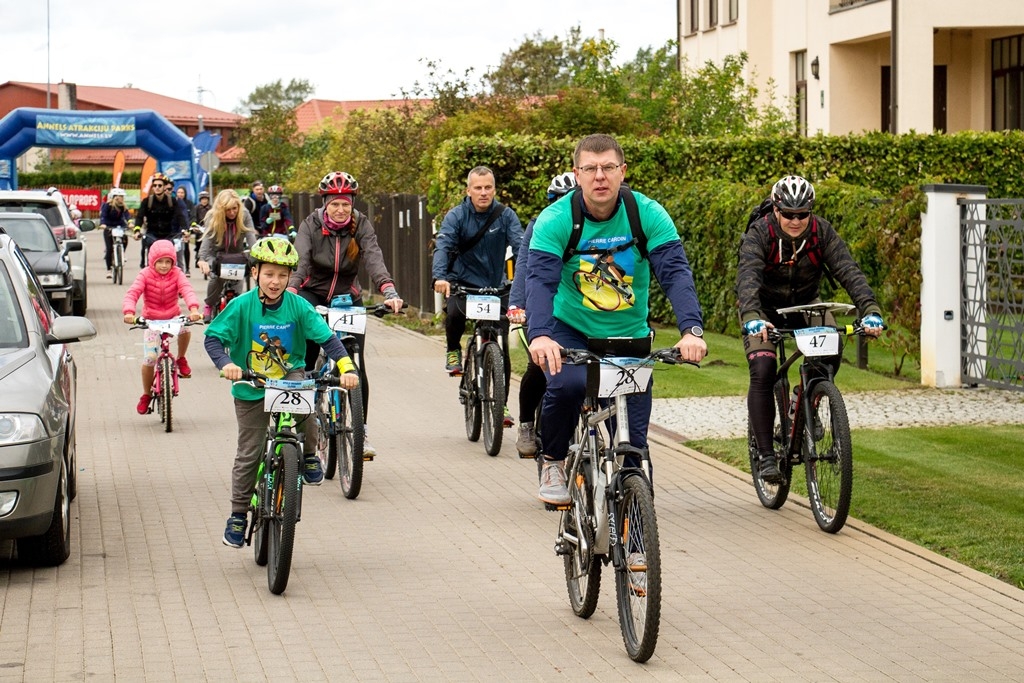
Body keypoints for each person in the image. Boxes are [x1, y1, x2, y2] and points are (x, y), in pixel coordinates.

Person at [526, 134, 707, 506]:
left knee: (634, 452)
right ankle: (554, 461)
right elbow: (540, 281)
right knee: (566, 387)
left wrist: (691, 329)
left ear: (622, 171)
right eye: (590, 168)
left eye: (608, 167)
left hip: (628, 337)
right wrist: (541, 335)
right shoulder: (556, 219)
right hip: (570, 329)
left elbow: (675, 273)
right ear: (577, 174)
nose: (600, 176)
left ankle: (637, 541)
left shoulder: (647, 214)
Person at [203, 236, 359, 548]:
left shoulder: (298, 306)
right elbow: (212, 338)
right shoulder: (240, 306)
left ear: (291, 277)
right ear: (256, 272)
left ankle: (311, 456)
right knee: (250, 452)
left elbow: (328, 339)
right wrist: (226, 364)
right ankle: (237, 515)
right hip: (251, 383)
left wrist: (346, 366)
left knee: (306, 408)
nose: (276, 282)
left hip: (289, 375)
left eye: (283, 275)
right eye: (269, 274)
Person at [737, 174, 885, 484]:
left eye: (802, 214)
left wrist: (870, 309)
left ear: (810, 211)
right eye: (788, 214)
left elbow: (848, 271)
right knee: (764, 368)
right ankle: (766, 456)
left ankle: (804, 402)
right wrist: (751, 314)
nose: (795, 220)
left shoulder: (822, 232)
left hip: (805, 305)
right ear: (776, 210)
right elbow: (748, 275)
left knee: (831, 349)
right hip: (762, 309)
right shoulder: (760, 233)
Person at [287, 171, 404, 458]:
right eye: (335, 204)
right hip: (312, 294)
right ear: (325, 203)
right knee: (308, 359)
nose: (340, 210)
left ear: (352, 205)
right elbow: (300, 260)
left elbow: (374, 257)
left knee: (355, 365)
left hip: (347, 297)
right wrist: (291, 289)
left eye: (346, 205)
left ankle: (360, 431)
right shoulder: (310, 225)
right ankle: (305, 420)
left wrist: (388, 290)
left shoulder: (360, 224)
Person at [431, 165, 524, 424]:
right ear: (469, 190)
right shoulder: (457, 216)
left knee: (501, 346)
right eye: (478, 188)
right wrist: (440, 277)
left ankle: (501, 405)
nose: (483, 193)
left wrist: (524, 282)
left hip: (496, 287)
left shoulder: (506, 216)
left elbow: (521, 248)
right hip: (463, 283)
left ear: (494, 189)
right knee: (455, 314)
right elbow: (443, 246)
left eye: (488, 187)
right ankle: (452, 350)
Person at [508, 171, 577, 457]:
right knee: (539, 365)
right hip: (544, 307)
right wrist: (517, 304)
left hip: (579, 310)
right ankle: (526, 424)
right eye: (558, 200)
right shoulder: (540, 226)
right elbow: (525, 266)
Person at [122, 239, 203, 415]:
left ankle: (181, 358)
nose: (164, 266)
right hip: (151, 321)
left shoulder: (178, 273)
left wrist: (194, 308)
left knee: (186, 329)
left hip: (173, 317)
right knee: (150, 358)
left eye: (168, 261)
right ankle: (145, 394)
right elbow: (133, 293)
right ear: (152, 261)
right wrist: (129, 312)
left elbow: (187, 289)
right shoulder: (144, 274)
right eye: (160, 261)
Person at [197, 189, 258, 322]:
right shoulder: (212, 216)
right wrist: (202, 259)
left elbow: (251, 237)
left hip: (236, 254)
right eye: (228, 210)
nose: (232, 213)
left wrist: (258, 257)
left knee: (239, 277)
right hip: (216, 253)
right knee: (216, 277)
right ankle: (209, 305)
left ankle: (237, 307)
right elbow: (207, 239)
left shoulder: (245, 215)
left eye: (234, 208)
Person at [133, 172, 188, 270]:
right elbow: (139, 217)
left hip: (168, 235)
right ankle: (149, 273)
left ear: (164, 187)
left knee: (172, 258)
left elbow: (180, 216)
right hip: (152, 234)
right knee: (150, 257)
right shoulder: (147, 201)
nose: (157, 187)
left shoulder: (172, 201)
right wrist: (137, 230)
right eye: (154, 185)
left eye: (159, 185)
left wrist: (185, 229)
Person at [99, 188, 131, 278]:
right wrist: (103, 224)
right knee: (109, 249)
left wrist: (130, 222)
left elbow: (127, 216)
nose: (121, 198)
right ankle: (109, 270)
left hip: (120, 226)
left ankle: (121, 253)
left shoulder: (123, 206)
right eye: (120, 196)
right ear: (114, 197)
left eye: (122, 197)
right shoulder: (107, 206)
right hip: (109, 228)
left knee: (125, 240)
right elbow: (103, 216)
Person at [175, 186, 195, 276]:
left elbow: (192, 216)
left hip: (186, 229)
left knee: (186, 249)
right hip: (177, 231)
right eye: (178, 192)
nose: (180, 194)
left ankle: (187, 268)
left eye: (182, 193)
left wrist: (190, 225)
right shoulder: (175, 203)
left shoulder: (189, 203)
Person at [190, 190, 212, 269]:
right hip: (199, 228)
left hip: (209, 228)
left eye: (205, 199)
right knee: (199, 242)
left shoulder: (211, 208)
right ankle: (198, 255)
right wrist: (194, 224)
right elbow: (193, 217)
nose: (204, 201)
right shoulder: (196, 208)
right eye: (202, 199)